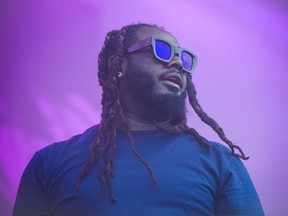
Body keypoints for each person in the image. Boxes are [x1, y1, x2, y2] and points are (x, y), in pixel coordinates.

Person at [13, 23, 264, 216]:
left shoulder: (221, 163)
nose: (177, 63)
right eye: (162, 50)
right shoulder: (49, 163)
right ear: (119, 64)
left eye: (183, 57)